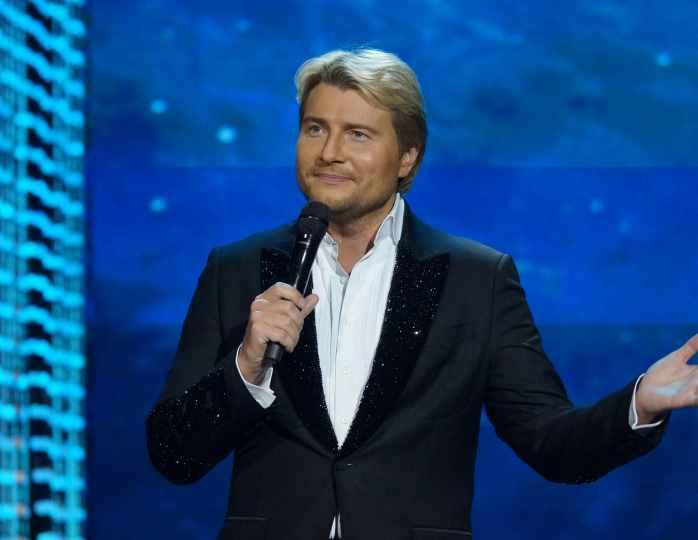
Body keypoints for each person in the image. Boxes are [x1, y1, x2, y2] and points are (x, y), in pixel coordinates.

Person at [146, 48, 697, 540]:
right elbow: (174, 454)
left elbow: (551, 444)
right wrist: (245, 367)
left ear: (407, 156)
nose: (329, 152)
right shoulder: (237, 270)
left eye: (357, 134)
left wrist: (640, 403)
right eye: (315, 129)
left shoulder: (477, 280)